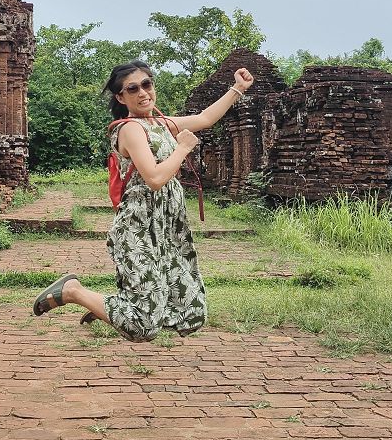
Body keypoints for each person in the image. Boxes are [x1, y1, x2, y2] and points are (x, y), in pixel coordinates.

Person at [32, 61, 254, 341]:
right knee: (144, 327)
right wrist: (184, 148)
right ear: (121, 97)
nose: (142, 93)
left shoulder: (161, 123)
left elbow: (206, 118)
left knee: (192, 312)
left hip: (168, 227)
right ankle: (74, 291)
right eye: (132, 88)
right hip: (139, 228)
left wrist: (237, 88)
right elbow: (155, 178)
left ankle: (114, 308)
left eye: (146, 84)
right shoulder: (130, 129)